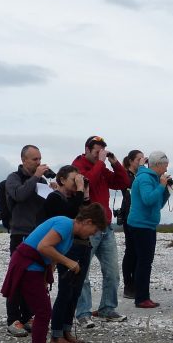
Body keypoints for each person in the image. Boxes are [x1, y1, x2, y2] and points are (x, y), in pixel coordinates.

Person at [1, 204, 108, 343]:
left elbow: (50, 256)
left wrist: (46, 277)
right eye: (94, 230)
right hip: (27, 265)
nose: (93, 235)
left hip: (36, 268)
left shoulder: (70, 233)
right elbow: (43, 247)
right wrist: (69, 262)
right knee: (44, 312)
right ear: (88, 222)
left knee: (42, 312)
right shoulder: (65, 224)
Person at [73, 135, 130, 324]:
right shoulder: (77, 166)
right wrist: (100, 163)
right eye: (96, 151)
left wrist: (115, 163)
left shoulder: (103, 167)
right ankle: (83, 313)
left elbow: (123, 183)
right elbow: (86, 181)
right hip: (87, 228)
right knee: (83, 273)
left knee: (112, 272)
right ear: (87, 150)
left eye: (102, 151)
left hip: (106, 227)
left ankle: (107, 308)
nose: (100, 155)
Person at [3, 144, 51, 337]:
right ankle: (13, 319)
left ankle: (28, 315)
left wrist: (53, 191)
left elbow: (46, 205)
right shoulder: (13, 178)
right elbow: (20, 195)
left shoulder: (41, 180)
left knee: (34, 277)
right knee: (17, 276)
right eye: (34, 159)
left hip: (38, 233)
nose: (38, 162)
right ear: (24, 160)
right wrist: (36, 177)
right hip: (20, 233)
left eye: (40, 159)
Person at [42, 165, 90, 343]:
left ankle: (66, 330)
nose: (77, 183)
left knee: (75, 292)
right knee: (65, 291)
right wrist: (79, 192)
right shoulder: (54, 198)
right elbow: (69, 215)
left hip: (83, 246)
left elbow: (86, 216)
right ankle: (56, 334)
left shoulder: (74, 198)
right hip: (68, 249)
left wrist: (84, 193)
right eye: (74, 180)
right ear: (62, 180)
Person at [126, 150, 172, 309]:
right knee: (144, 263)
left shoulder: (152, 178)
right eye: (165, 166)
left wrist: (165, 191)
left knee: (144, 262)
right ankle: (141, 298)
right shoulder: (145, 178)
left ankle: (142, 296)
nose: (166, 170)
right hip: (141, 225)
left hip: (148, 225)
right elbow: (147, 200)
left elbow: (156, 204)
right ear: (157, 165)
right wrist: (161, 186)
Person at [119, 150, 144, 299]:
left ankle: (136, 283)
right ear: (130, 161)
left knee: (138, 252)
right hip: (129, 216)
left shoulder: (139, 175)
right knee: (131, 251)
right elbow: (131, 188)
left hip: (139, 215)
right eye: (139, 159)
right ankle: (129, 285)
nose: (141, 162)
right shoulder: (126, 176)